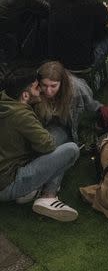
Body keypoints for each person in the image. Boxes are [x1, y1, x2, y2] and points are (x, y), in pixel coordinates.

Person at [0, 72, 80, 221]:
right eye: (37, 87)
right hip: (8, 183)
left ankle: (38, 190)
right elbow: (47, 145)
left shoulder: (5, 101)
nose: (42, 90)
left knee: (60, 133)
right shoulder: (21, 115)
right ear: (25, 95)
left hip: (7, 166)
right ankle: (47, 195)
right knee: (71, 149)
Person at [34, 61, 102, 146]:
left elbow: (93, 107)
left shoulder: (77, 89)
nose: (48, 91)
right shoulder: (34, 89)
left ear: (62, 83)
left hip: (64, 126)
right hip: (44, 124)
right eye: (44, 85)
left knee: (47, 144)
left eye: (53, 86)